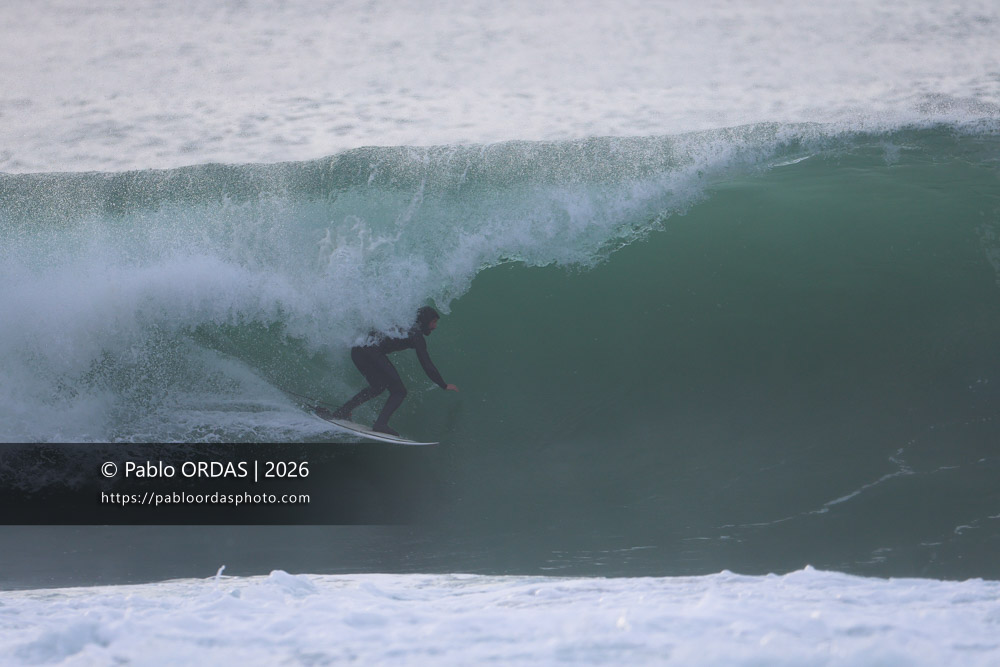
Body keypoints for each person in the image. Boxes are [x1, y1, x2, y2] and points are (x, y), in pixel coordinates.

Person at [320, 306, 458, 435]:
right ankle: (380, 424)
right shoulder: (416, 335)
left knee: (378, 386)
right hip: (369, 351)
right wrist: (443, 384)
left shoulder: (407, 326)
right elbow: (427, 364)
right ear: (426, 321)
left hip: (358, 350)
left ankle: (342, 412)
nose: (434, 326)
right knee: (399, 391)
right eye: (433, 322)